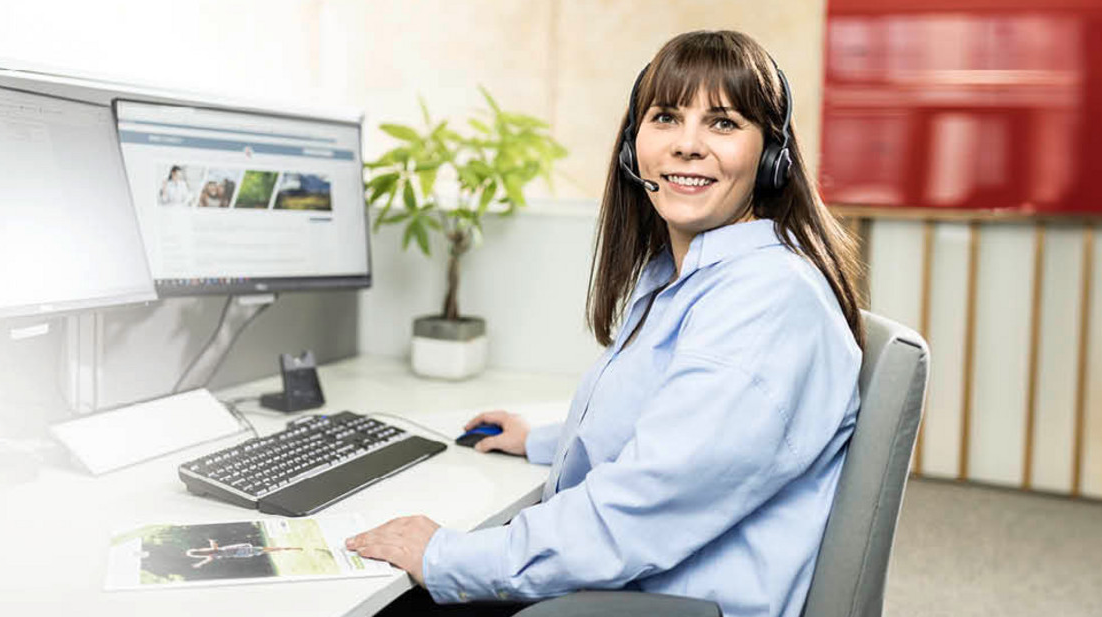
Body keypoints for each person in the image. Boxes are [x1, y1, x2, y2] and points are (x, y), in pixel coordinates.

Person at [348, 30, 865, 617]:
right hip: (635, 587)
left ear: (772, 157)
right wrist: (544, 440)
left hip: (668, 603)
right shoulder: (685, 275)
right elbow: (677, 431)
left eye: (723, 123)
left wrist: (447, 557)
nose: (687, 145)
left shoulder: (766, 301)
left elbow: (642, 511)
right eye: (666, 117)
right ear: (631, 147)